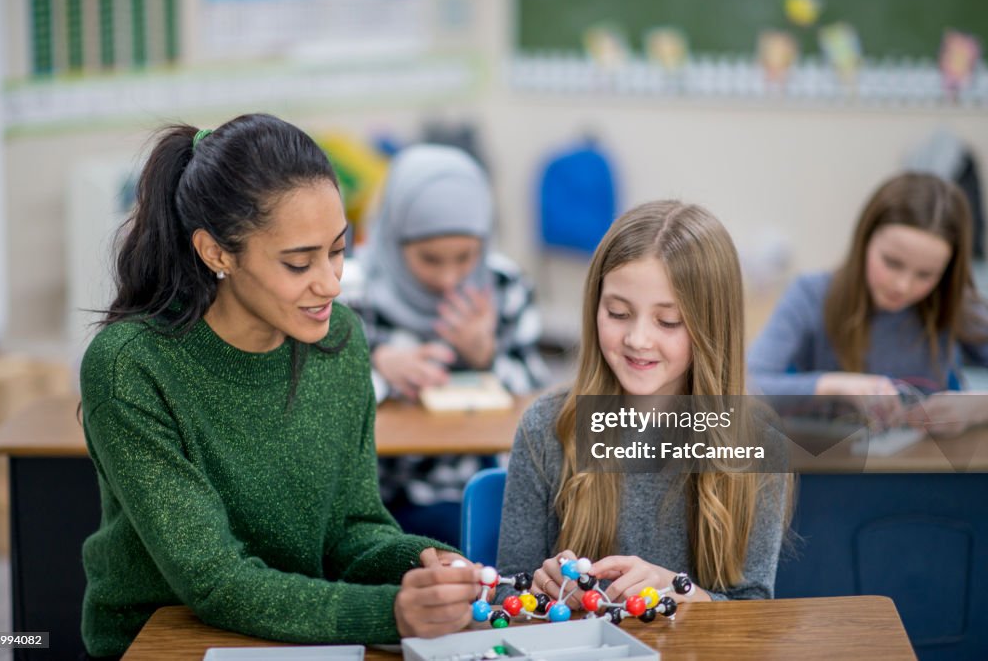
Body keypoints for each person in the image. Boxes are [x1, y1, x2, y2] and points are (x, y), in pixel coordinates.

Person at [78, 114, 481, 659]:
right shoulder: (131, 366)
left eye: (338, 250)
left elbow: (353, 530)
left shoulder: (339, 338)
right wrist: (390, 612)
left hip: (302, 635)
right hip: (164, 642)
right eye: (299, 263)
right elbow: (215, 580)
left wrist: (427, 566)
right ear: (216, 252)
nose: (332, 283)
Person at [496, 201, 792, 605]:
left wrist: (683, 594)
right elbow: (506, 593)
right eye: (618, 313)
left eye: (667, 322)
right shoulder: (546, 428)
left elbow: (753, 608)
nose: (637, 339)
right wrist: (534, 588)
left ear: (712, 326)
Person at [347, 144, 549, 546]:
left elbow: (535, 392)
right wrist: (379, 366)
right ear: (393, 239)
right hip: (377, 490)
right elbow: (318, 396)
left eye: (465, 257)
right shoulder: (351, 291)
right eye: (430, 259)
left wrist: (485, 357)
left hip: (471, 484)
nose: (449, 278)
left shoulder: (502, 286)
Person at [748, 172, 988, 436]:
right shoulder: (810, 295)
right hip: (833, 468)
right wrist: (833, 386)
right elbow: (746, 388)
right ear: (864, 241)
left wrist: (977, 407)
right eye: (892, 263)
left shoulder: (955, 303)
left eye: (926, 274)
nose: (903, 286)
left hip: (931, 469)